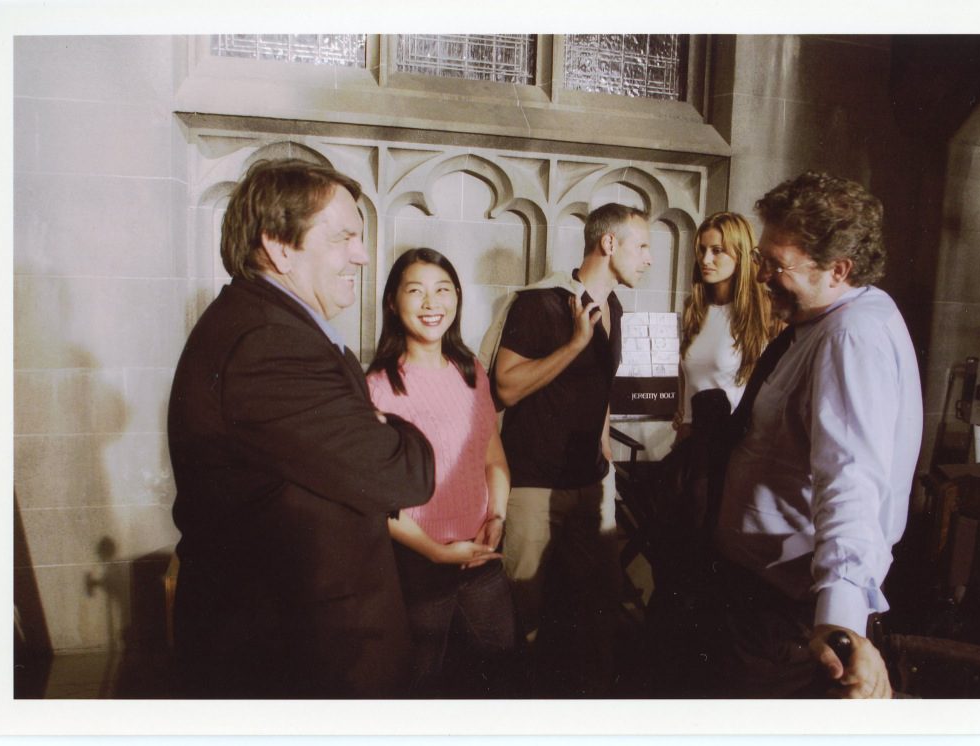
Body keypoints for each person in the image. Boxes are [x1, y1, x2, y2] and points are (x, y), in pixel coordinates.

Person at [167, 159, 435, 698]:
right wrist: (397, 430)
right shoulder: (269, 344)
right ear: (279, 246)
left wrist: (374, 424)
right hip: (300, 656)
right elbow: (402, 475)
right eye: (343, 238)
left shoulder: (269, 325)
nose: (362, 255)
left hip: (302, 642)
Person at [691, 171, 922, 698]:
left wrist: (840, 624)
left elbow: (850, 478)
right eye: (761, 259)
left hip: (780, 618)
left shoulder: (850, 337)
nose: (761, 276)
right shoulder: (830, 317)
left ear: (838, 269)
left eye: (776, 265)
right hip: (755, 597)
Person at [481, 202, 652, 695]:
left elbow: (600, 388)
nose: (648, 259)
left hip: (589, 484)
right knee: (525, 615)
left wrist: (604, 449)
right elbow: (505, 387)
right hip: (534, 486)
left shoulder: (614, 308)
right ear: (609, 243)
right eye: (642, 246)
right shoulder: (541, 304)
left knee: (599, 611)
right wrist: (574, 344)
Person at [366, 248, 517, 696]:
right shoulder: (376, 386)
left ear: (457, 297)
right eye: (416, 291)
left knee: (499, 675)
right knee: (419, 683)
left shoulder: (470, 371)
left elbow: (493, 457)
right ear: (392, 302)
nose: (431, 303)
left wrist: (497, 517)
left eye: (442, 289)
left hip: (480, 554)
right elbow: (377, 499)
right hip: (417, 564)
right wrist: (434, 551)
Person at [672, 212, 782, 442]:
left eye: (717, 250)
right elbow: (688, 372)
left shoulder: (766, 312)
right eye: (702, 250)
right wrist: (683, 415)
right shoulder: (695, 309)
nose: (705, 259)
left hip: (737, 441)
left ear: (740, 255)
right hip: (692, 439)